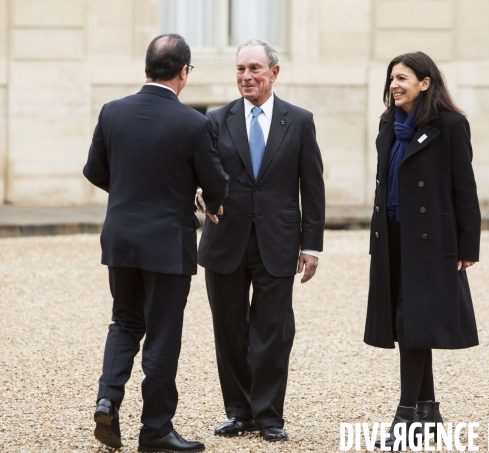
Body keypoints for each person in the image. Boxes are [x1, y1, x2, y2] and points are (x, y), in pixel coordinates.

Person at [83, 34, 228, 452]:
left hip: (121, 238)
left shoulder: (112, 112)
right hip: (167, 243)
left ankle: (108, 399)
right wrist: (206, 202)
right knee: (163, 335)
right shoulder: (195, 123)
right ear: (184, 72)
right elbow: (216, 184)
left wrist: (129, 192)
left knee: (125, 321)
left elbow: (95, 171)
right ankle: (156, 430)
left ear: (147, 67)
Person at [196, 39, 325, 442]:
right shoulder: (216, 120)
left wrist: (311, 244)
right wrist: (198, 194)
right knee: (229, 330)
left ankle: (269, 415)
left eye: (254, 68)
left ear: (274, 72)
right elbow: (202, 173)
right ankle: (239, 412)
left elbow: (313, 186)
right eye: (240, 69)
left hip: (278, 241)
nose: (246, 76)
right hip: (225, 240)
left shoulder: (299, 121)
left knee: (272, 331)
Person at [364, 51, 481, 449]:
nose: (394, 85)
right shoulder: (387, 124)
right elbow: (383, 187)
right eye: (391, 78)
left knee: (410, 322)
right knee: (410, 323)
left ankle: (405, 418)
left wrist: (468, 245)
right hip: (392, 237)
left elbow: (464, 187)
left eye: (402, 78)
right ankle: (428, 411)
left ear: (425, 82)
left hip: (430, 242)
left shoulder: (449, 126)